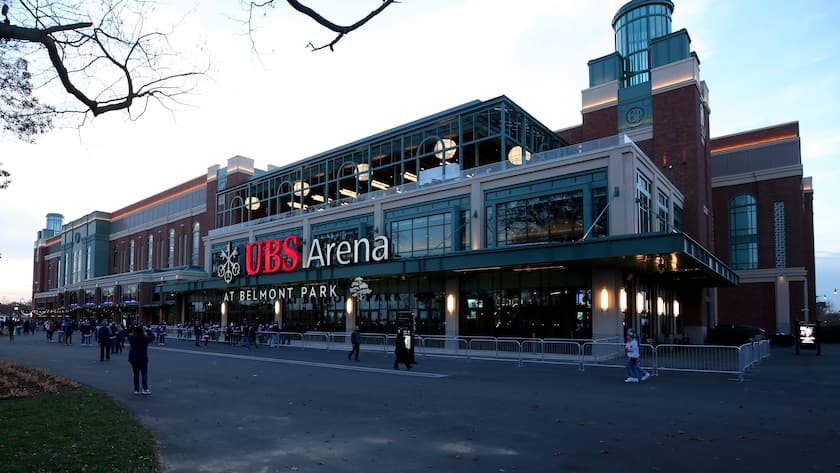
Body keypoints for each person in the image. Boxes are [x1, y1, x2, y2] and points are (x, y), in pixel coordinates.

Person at [127, 325, 155, 395]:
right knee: (144, 373)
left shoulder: (131, 338)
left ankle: (136, 389)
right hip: (142, 357)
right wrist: (148, 330)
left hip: (133, 357)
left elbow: (128, 335)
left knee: (136, 373)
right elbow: (153, 337)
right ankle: (145, 389)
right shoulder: (144, 338)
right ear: (142, 331)